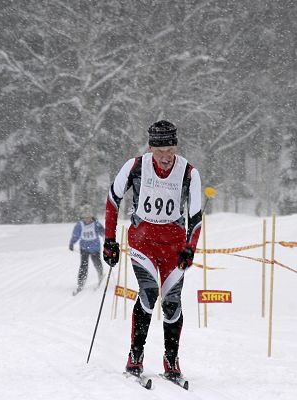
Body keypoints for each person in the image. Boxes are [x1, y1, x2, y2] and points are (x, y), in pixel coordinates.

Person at [103, 120, 202, 379]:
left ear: (176, 146)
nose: (166, 157)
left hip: (174, 246)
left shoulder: (189, 173)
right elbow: (113, 199)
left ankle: (171, 360)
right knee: (148, 293)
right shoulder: (135, 166)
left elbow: (196, 215)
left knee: (171, 303)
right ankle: (135, 355)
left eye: (170, 150)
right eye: (160, 152)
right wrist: (109, 240)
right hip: (143, 241)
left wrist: (190, 248)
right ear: (151, 149)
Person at [69, 204, 105, 295]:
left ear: (91, 216)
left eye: (89, 217)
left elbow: (103, 232)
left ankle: (100, 275)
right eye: (85, 217)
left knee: (97, 263)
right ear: (83, 217)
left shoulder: (96, 224)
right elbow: (75, 235)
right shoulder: (79, 225)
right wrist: (72, 243)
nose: (87, 219)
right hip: (84, 248)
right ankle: (80, 283)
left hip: (95, 248)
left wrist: (107, 238)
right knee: (83, 266)